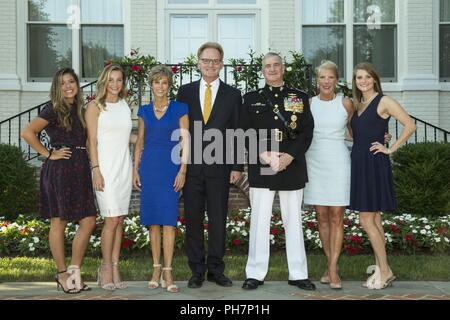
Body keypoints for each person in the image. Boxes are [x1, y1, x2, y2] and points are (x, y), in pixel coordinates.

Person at [240, 52, 316, 291]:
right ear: (262, 71)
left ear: (283, 68)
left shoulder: (299, 97)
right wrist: (265, 155)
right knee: (259, 221)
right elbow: (245, 131)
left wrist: (289, 156)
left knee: (293, 220)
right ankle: (255, 272)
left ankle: (298, 273)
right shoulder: (251, 98)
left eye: (276, 65)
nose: (272, 70)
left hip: (290, 163)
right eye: (267, 66)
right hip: (263, 163)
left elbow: (306, 131)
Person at [21, 68, 97, 294]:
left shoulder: (80, 109)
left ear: (77, 84)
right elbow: (27, 132)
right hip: (61, 169)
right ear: (57, 87)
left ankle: (74, 272)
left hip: (80, 167)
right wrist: (49, 153)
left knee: (89, 220)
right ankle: (63, 274)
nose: (68, 86)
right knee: (59, 222)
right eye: (63, 83)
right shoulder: (53, 108)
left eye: (71, 81)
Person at [176, 42, 243, 289]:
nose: (210, 64)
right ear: (198, 63)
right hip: (191, 168)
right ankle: (196, 270)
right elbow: (179, 130)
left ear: (221, 64)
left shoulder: (233, 95)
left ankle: (216, 269)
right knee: (192, 220)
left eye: (215, 61)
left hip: (220, 168)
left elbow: (237, 131)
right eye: (206, 60)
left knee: (217, 220)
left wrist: (237, 166)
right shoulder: (184, 92)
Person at [350, 62, 416, 289]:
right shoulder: (359, 104)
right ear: (355, 81)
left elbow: (410, 125)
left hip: (373, 164)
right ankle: (382, 268)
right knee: (375, 219)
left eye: (367, 77)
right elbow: (360, 134)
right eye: (359, 77)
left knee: (365, 219)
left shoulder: (384, 101)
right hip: (359, 164)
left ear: (375, 79)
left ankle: (385, 270)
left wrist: (391, 147)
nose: (363, 81)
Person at [133, 65, 189, 293]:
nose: (160, 86)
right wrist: (135, 169)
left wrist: (183, 170)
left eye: (164, 82)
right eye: (156, 82)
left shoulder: (180, 109)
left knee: (168, 220)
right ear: (151, 84)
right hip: (149, 168)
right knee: (153, 221)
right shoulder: (144, 111)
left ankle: (168, 270)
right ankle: (156, 268)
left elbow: (186, 141)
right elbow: (140, 141)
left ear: (169, 85)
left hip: (171, 167)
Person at [303, 61, 353, 290]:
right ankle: (330, 264)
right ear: (317, 80)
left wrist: (381, 138)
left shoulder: (346, 103)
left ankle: (333, 269)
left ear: (336, 80)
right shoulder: (309, 103)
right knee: (321, 216)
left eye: (330, 77)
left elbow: (355, 130)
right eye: (322, 77)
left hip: (338, 161)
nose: (325, 81)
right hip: (314, 161)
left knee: (336, 216)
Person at [85, 64, 133, 291]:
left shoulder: (125, 106)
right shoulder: (95, 107)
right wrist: (95, 169)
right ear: (104, 81)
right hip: (105, 168)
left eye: (119, 80)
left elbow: (127, 137)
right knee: (110, 220)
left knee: (120, 219)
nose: (115, 84)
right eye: (111, 80)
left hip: (124, 166)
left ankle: (115, 267)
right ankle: (105, 267)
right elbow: (91, 141)